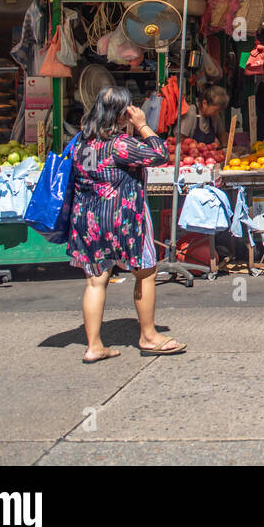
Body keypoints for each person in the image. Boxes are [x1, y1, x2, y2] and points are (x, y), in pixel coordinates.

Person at [68, 87, 183, 361]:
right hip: (124, 218)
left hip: (88, 219)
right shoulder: (119, 144)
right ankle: (149, 336)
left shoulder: (81, 143)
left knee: (96, 281)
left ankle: (94, 346)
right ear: (122, 114)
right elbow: (160, 154)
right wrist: (143, 126)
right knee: (145, 272)